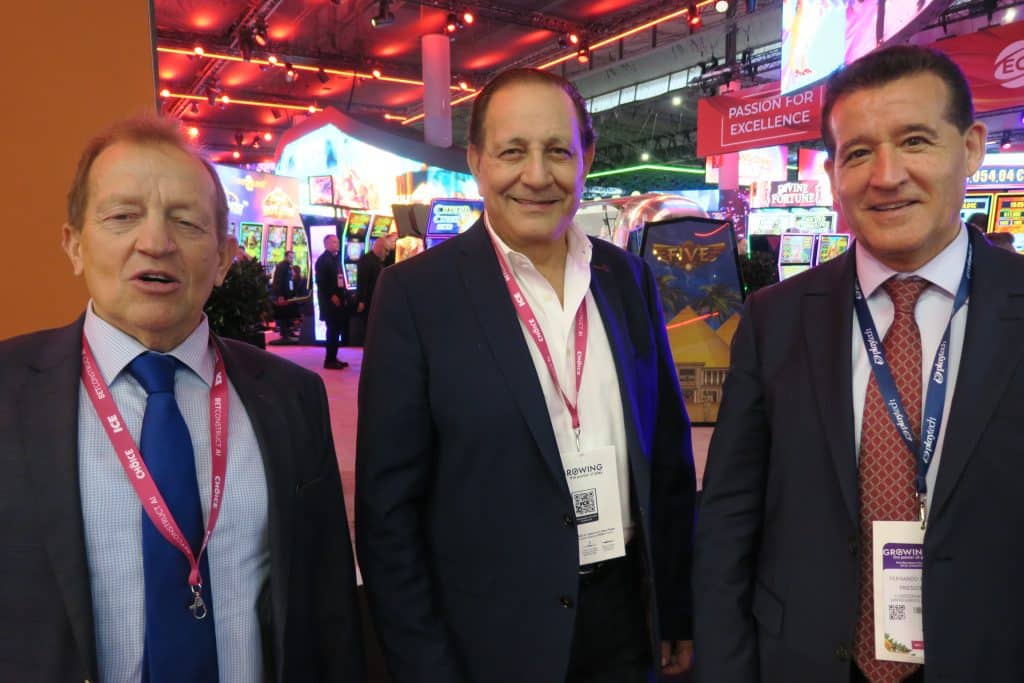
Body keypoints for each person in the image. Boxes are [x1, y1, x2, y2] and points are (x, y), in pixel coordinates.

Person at [694, 45, 1024, 683]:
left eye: (915, 141)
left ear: (971, 148)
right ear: (832, 173)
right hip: (806, 658)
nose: (887, 175)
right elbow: (730, 517)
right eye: (859, 152)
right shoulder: (774, 318)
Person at [356, 68, 697, 683]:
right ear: (476, 161)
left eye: (558, 151)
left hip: (624, 618)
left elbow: (668, 454)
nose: (537, 176)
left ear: (587, 158)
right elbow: (388, 515)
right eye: (513, 151)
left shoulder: (627, 279)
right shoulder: (416, 295)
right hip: (489, 636)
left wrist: (674, 604)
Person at [0, 117, 363, 682]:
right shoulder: (11, 391)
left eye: (187, 222)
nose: (155, 243)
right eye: (122, 216)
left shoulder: (291, 396)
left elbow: (328, 604)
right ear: (74, 245)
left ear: (222, 259)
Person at [315, 233, 350, 369]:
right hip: (329, 302)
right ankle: (329, 360)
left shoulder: (335, 259)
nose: (337, 244)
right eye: (334, 242)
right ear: (326, 244)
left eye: (337, 241)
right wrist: (332, 295)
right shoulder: (323, 261)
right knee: (332, 330)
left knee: (336, 331)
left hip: (338, 300)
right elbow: (321, 282)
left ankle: (333, 357)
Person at [355, 233, 394, 321]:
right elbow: (362, 282)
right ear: (379, 247)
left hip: (376, 299)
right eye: (386, 250)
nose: (387, 254)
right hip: (368, 301)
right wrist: (362, 301)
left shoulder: (378, 261)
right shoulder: (366, 260)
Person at [271, 249, 298, 341]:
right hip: (283, 294)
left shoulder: (288, 266)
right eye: (290, 257)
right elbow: (279, 281)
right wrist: (280, 295)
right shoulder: (282, 266)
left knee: (288, 313)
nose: (292, 259)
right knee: (283, 314)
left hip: (288, 294)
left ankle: (288, 332)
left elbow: (289, 281)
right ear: (286, 257)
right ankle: (284, 334)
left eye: (293, 257)